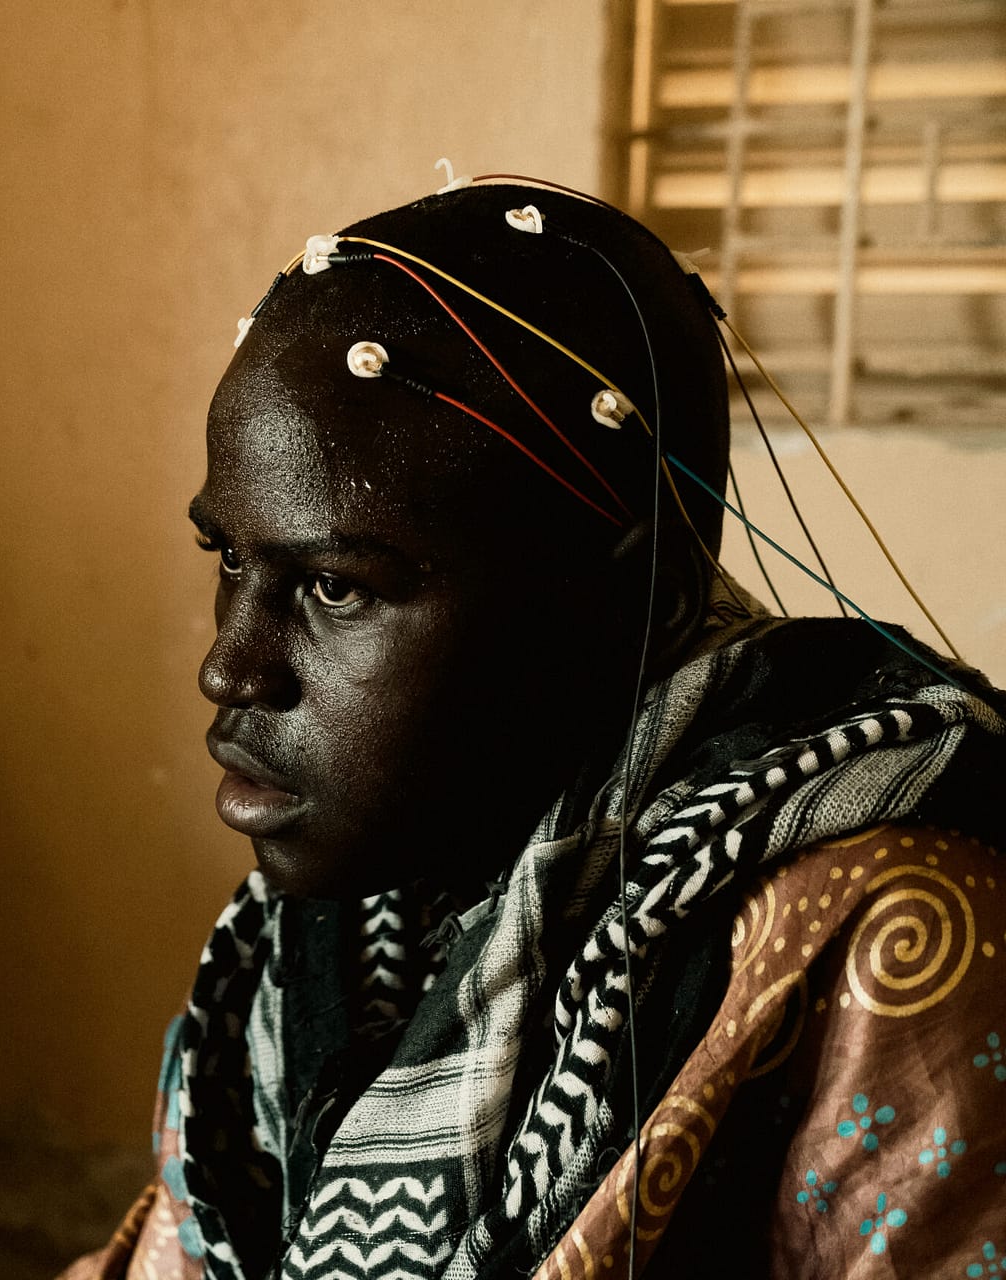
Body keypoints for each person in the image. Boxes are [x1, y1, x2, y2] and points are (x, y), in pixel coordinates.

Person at [65, 183, 1006, 1280]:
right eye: (229, 556)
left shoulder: (881, 923)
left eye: (335, 585)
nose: (229, 666)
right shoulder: (319, 932)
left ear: (634, 605)